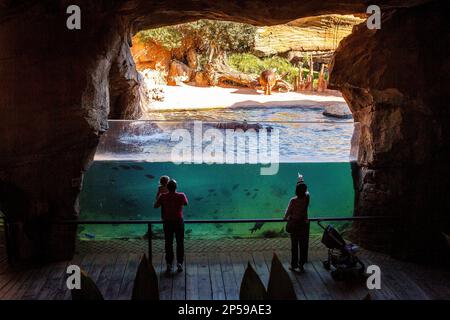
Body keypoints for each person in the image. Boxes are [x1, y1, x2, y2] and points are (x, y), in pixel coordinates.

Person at [154, 179, 188, 274]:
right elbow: (185, 203)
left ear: (167, 188)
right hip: (178, 222)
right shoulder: (181, 195)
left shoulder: (163, 196)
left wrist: (160, 193)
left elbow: (155, 206)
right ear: (176, 187)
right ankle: (180, 263)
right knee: (180, 243)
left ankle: (169, 264)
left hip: (167, 222)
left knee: (168, 243)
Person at [284, 182, 310, 272]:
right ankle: (301, 264)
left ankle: (294, 265)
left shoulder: (293, 200)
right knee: (302, 245)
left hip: (294, 224)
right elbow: (307, 193)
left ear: (296, 191)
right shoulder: (306, 198)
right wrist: (301, 180)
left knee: (294, 246)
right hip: (303, 224)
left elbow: (288, 211)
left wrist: (284, 218)